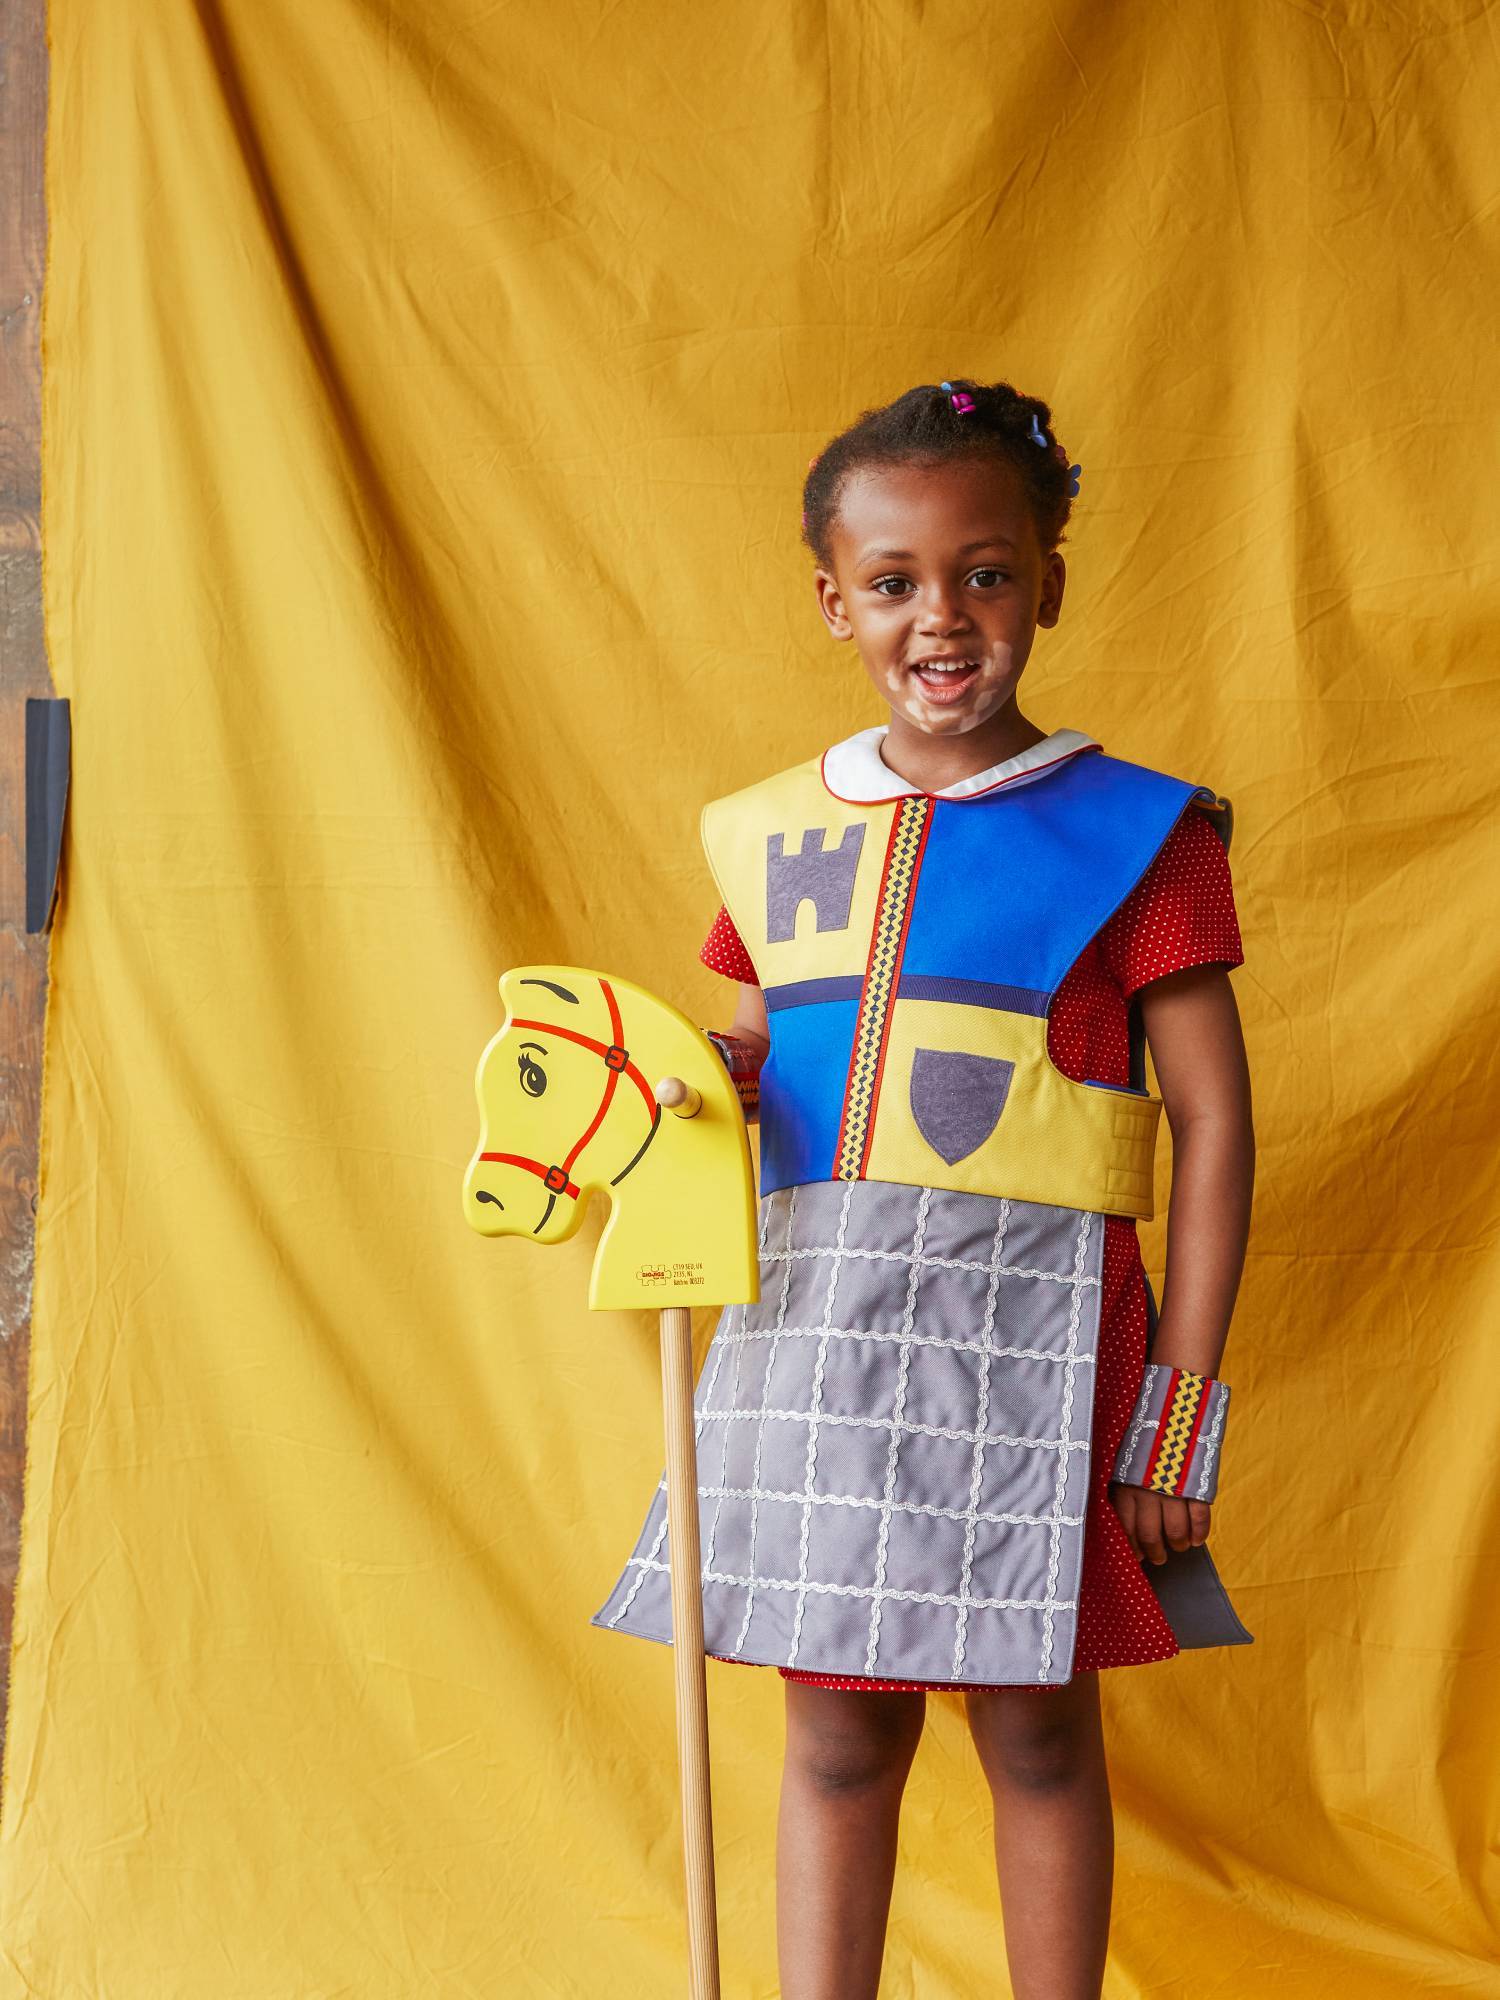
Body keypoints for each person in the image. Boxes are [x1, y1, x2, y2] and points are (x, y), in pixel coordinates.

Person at [591, 377, 1255, 1999]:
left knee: (1037, 1728)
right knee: (835, 1734)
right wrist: (687, 1090)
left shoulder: (1141, 837)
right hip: (823, 1336)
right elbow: (762, 1060)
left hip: (1045, 1343)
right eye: (892, 581)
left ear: (1047, 584)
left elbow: (1215, 1123)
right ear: (836, 602)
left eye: (986, 573)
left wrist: (1178, 1412)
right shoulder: (768, 837)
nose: (941, 617)